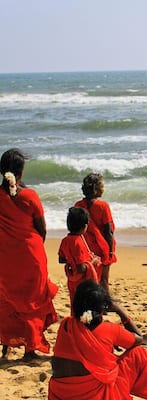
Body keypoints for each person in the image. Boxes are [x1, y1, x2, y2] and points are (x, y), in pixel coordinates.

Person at [48, 280, 147, 399]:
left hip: (61, 394)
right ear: (103, 307)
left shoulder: (66, 326)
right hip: (97, 395)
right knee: (139, 354)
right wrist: (120, 310)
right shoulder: (110, 330)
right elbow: (139, 339)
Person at [0, 148, 58, 361]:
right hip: (31, 255)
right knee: (32, 302)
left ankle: (6, 345)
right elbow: (42, 229)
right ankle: (30, 349)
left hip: (5, 256)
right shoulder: (30, 196)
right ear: (21, 172)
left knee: (6, 300)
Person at [74, 173, 116, 292]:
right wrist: (111, 250)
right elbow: (108, 231)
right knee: (103, 279)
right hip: (101, 247)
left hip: (84, 247)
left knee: (88, 277)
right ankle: (104, 304)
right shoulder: (103, 206)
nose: (103, 189)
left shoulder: (78, 205)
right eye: (102, 186)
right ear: (96, 190)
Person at [59, 207, 102, 308]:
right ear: (85, 226)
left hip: (72, 280)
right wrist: (93, 262)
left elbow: (61, 259)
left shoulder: (65, 240)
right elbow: (81, 268)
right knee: (85, 305)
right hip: (82, 281)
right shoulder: (78, 242)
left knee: (75, 303)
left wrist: (71, 259)